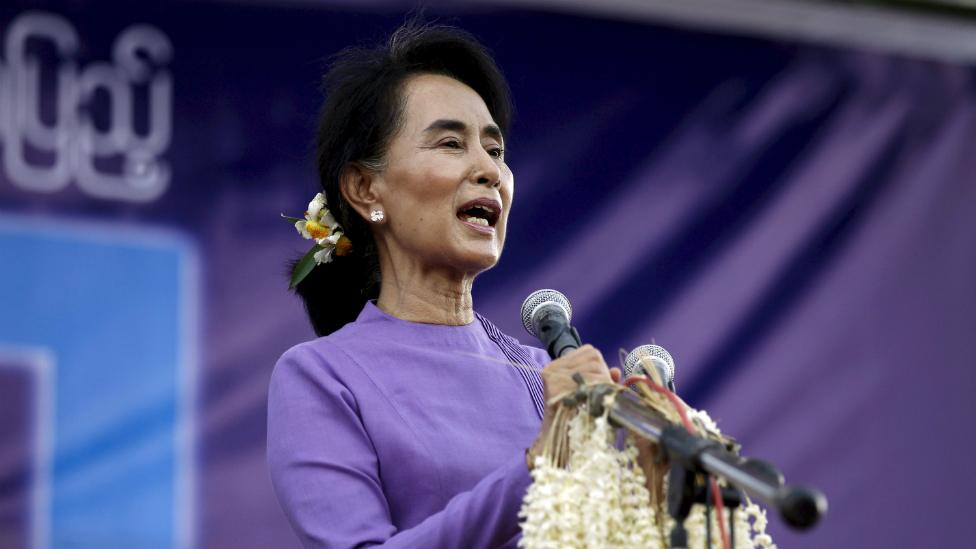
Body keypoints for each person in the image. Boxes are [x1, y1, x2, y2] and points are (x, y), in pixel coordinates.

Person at [266, 23, 620, 549]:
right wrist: (541, 465)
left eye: (496, 151)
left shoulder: (542, 374)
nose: (489, 171)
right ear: (365, 189)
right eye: (452, 143)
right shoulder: (321, 377)